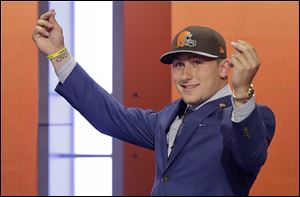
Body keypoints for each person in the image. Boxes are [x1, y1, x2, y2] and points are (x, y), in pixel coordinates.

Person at [32, 10, 276, 196]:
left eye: (197, 63)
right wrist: (58, 54)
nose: (185, 75)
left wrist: (242, 91)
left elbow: (251, 156)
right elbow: (109, 116)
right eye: (179, 65)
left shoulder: (248, 116)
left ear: (224, 68)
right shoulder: (166, 117)